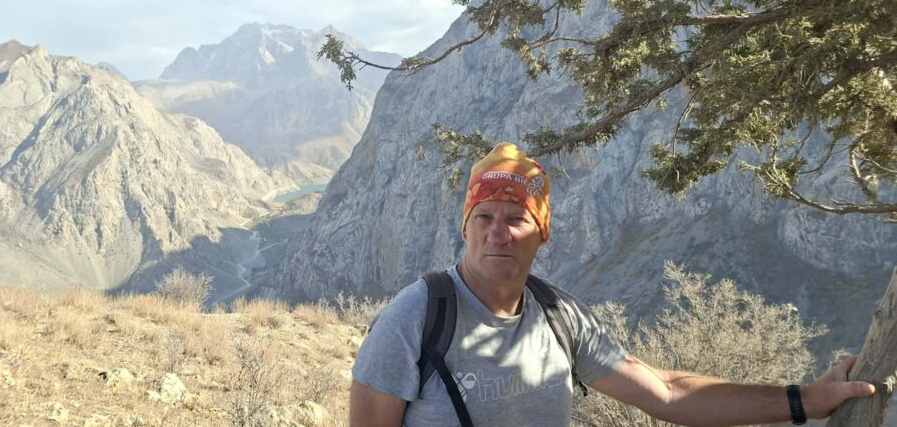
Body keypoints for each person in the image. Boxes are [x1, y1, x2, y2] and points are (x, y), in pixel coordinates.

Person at [349, 142, 876, 426]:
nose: (497, 232)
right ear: (465, 227)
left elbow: (668, 393)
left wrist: (803, 400)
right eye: (483, 216)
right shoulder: (417, 318)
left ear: (542, 233)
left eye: (516, 218)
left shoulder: (557, 317)